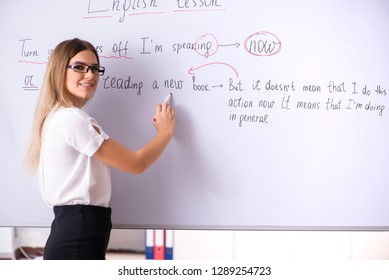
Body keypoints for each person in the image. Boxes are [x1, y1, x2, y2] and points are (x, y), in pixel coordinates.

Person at [25, 38, 176, 260]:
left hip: (77, 232)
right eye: (79, 67)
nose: (90, 75)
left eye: (95, 68)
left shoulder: (58, 116)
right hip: (78, 234)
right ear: (59, 71)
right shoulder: (72, 119)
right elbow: (136, 163)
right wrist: (165, 133)